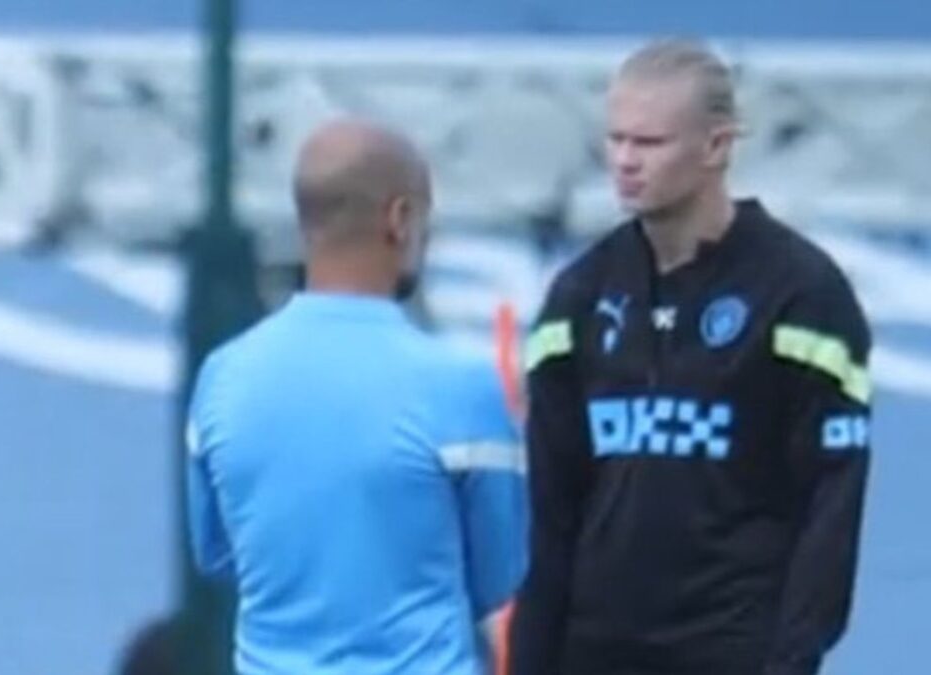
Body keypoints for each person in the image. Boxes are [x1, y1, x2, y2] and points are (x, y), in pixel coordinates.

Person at [507, 38, 872, 675]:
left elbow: (830, 518)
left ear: (716, 146)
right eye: (615, 140)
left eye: (648, 144)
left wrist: (790, 663)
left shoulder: (801, 296)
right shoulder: (580, 297)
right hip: (592, 655)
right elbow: (550, 514)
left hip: (733, 654)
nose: (624, 161)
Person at [186, 118, 527, 674]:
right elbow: (499, 575)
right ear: (401, 219)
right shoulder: (463, 387)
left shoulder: (222, 378)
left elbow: (217, 553)